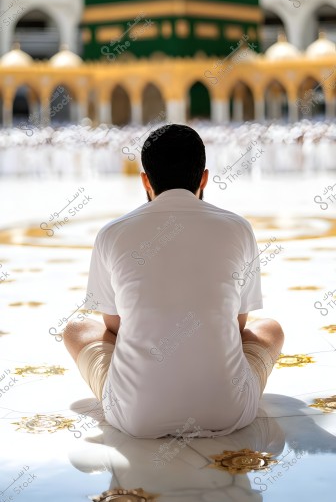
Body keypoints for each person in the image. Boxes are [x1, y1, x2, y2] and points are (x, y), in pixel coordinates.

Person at [63, 123, 284, 439]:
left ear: (145, 181)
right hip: (229, 410)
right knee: (270, 329)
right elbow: (237, 326)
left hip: (136, 417)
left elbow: (112, 327)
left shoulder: (112, 233)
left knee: (77, 329)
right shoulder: (239, 228)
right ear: (204, 178)